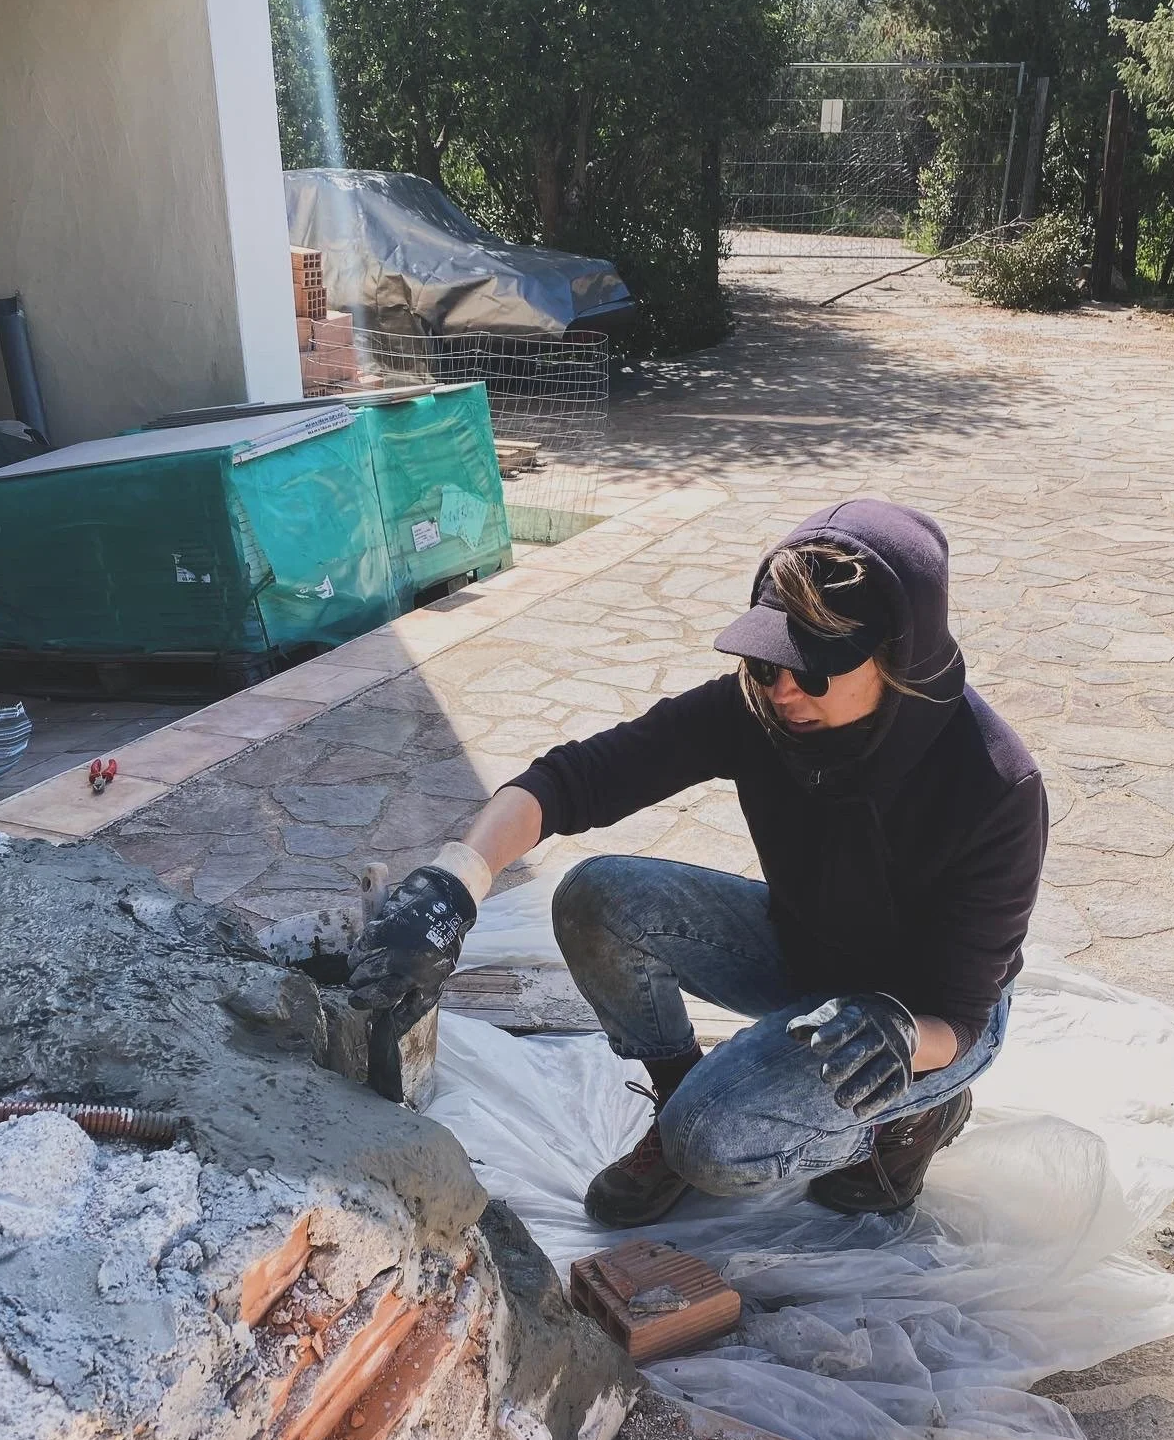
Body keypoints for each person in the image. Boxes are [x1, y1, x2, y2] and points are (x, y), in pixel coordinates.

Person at [347, 499, 1048, 1229]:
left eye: (813, 671)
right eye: (768, 661)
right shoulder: (760, 710)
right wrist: (455, 881)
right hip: (809, 948)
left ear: (897, 656)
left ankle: (908, 1121)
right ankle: (678, 1095)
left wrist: (904, 1035)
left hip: (921, 1023)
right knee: (596, 898)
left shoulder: (994, 786)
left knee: (713, 1143)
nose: (782, 689)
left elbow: (962, 1015)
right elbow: (574, 780)